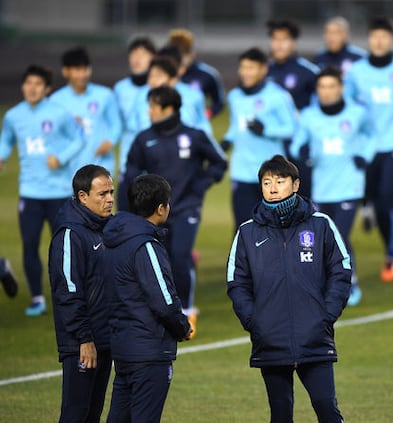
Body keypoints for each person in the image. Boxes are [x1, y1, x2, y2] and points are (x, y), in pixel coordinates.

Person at [227, 154, 351, 423]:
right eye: (266, 182)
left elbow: (341, 271)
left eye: (280, 181)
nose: (272, 188)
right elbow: (237, 283)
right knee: (280, 413)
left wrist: (325, 315)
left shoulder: (321, 224)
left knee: (327, 409)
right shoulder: (247, 233)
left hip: (314, 336)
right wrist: (255, 322)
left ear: (296, 184)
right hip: (270, 339)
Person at [122, 85, 227, 337]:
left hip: (186, 208)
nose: (149, 111)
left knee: (180, 257)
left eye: (153, 106)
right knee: (160, 260)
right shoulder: (143, 139)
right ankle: (165, 309)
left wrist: (201, 185)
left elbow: (219, 163)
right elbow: (131, 172)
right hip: (155, 212)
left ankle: (187, 311)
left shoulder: (194, 135)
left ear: (168, 109)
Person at [103, 174, 192, 423]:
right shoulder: (146, 245)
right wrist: (182, 327)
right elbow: (163, 301)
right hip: (149, 350)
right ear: (161, 208)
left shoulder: (114, 241)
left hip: (123, 347)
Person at [0, 64, 84, 316]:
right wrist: (2, 156)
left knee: (64, 248)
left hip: (59, 192)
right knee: (29, 244)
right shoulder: (13, 116)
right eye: (28, 83)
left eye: (38, 84)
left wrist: (61, 157)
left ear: (47, 89)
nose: (32, 88)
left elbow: (78, 139)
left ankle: (72, 296)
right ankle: (37, 298)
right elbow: (6, 140)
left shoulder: (60, 113)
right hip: (30, 192)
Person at [291, 66, 372, 307]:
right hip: (322, 188)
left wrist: (364, 155)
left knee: (340, 236)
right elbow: (296, 145)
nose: (326, 92)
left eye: (331, 86)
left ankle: (350, 282)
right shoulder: (309, 116)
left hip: (349, 186)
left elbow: (372, 135)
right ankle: (328, 281)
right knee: (323, 238)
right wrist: (301, 150)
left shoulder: (357, 113)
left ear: (341, 88)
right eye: (322, 87)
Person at [345, 16, 393, 282]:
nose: (379, 41)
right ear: (369, 38)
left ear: (392, 40)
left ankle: (391, 253)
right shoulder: (356, 71)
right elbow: (348, 105)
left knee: (387, 198)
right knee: (376, 202)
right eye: (374, 35)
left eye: (384, 36)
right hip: (367, 147)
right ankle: (387, 241)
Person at [48, 164, 115, 423]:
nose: (110, 199)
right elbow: (68, 292)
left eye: (111, 192)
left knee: (92, 414)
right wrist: (84, 339)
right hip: (82, 343)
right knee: (75, 414)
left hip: (105, 338)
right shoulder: (69, 234)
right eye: (102, 194)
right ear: (83, 196)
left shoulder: (106, 228)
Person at [222, 47, 297, 229]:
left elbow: (291, 128)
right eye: (243, 67)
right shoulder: (234, 96)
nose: (245, 72)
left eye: (251, 68)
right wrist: (225, 142)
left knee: (276, 228)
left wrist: (266, 130)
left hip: (272, 174)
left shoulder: (278, 96)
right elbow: (236, 126)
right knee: (243, 227)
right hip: (242, 172)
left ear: (263, 69)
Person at [266, 18, 320, 199]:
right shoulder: (264, 72)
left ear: (293, 42)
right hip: (271, 145)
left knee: (303, 199)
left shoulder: (308, 72)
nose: (279, 44)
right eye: (275, 39)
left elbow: (320, 109)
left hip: (300, 146)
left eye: (284, 39)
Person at [51, 46, 122, 176]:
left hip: (101, 164)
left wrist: (110, 141)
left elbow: (116, 124)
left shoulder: (105, 95)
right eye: (77, 70)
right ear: (65, 72)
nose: (82, 75)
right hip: (70, 167)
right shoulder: (56, 101)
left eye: (85, 69)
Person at [113, 36, 157, 180]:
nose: (137, 59)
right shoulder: (120, 88)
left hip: (154, 157)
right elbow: (116, 124)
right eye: (134, 54)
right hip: (128, 158)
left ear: (153, 58)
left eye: (143, 54)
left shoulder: (157, 87)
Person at [167, 28, 226, 118]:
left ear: (192, 53)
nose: (180, 59)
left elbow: (219, 102)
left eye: (184, 54)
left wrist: (205, 115)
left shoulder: (207, 74)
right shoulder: (162, 73)